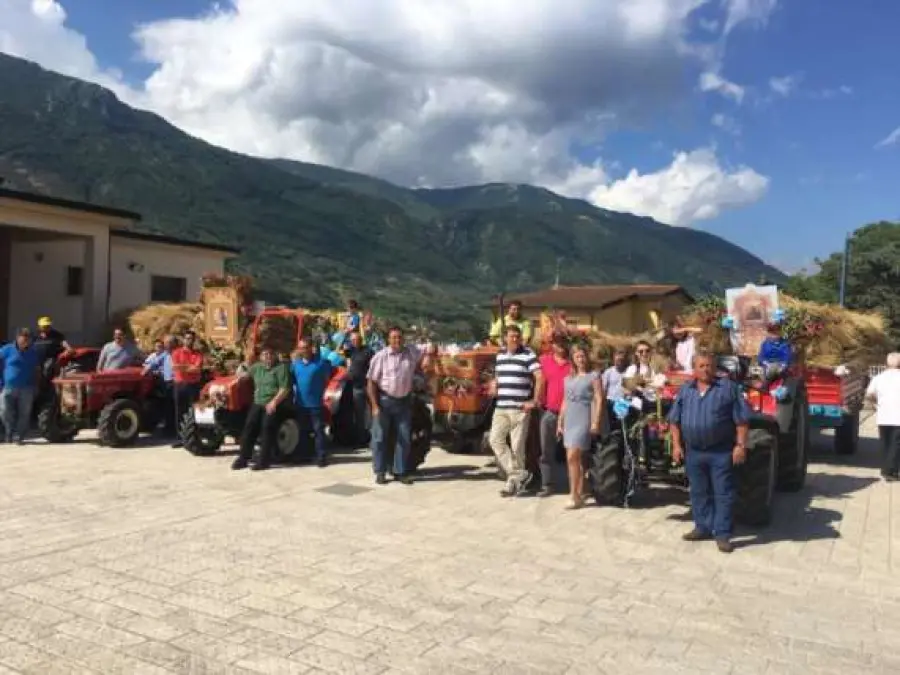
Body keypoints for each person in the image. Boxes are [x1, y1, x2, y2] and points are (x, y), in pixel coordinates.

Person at [668, 350, 750, 554]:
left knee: (723, 493)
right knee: (698, 491)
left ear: (715, 368)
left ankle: (722, 534)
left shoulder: (728, 389)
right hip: (694, 452)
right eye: (701, 366)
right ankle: (702, 527)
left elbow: (741, 420)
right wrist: (677, 446)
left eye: (709, 366)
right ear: (694, 369)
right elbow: (674, 421)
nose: (706, 369)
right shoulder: (686, 390)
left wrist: (740, 445)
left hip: (721, 452)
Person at [367, 326, 431, 485]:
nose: (397, 340)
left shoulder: (411, 351)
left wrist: (428, 356)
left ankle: (400, 471)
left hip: (404, 402)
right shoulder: (380, 357)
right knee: (379, 438)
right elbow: (371, 383)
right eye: (394, 337)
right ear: (388, 339)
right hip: (384, 402)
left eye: (399, 337)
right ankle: (380, 472)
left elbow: (430, 347)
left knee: (404, 438)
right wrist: (374, 406)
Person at [489, 324, 543, 497]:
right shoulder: (500, 355)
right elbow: (497, 376)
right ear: (505, 338)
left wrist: (534, 400)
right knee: (495, 440)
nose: (515, 339)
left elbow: (540, 377)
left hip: (519, 409)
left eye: (517, 336)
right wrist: (494, 385)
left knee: (517, 447)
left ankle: (511, 483)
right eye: (512, 336)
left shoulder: (528, 354)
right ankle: (517, 473)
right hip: (501, 407)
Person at [557, 345, 604, 509]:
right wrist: (560, 421)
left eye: (583, 356)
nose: (581, 359)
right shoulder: (568, 378)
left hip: (584, 416)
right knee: (576, 459)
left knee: (572, 456)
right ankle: (580, 491)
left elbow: (599, 399)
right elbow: (565, 400)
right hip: (570, 417)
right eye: (577, 357)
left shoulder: (593, 376)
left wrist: (596, 421)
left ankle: (574, 495)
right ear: (573, 359)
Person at [232, 347, 292, 471]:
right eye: (265, 354)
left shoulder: (281, 368)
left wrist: (274, 402)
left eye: (270, 354)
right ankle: (243, 457)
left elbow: (284, 388)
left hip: (273, 402)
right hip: (258, 402)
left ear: (275, 356)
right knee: (249, 427)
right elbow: (244, 375)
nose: (268, 356)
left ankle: (264, 460)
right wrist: (239, 377)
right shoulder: (257, 367)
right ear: (261, 357)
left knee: (266, 428)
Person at [537, 334, 571, 497]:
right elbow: (538, 381)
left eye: (563, 343)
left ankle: (576, 484)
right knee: (546, 451)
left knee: (573, 451)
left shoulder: (573, 363)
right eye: (558, 344)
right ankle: (547, 485)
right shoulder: (544, 361)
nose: (561, 346)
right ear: (552, 345)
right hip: (550, 412)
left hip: (571, 414)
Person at [291, 338, 332, 467]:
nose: (304, 350)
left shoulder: (320, 363)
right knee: (302, 431)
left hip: (316, 404)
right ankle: (304, 455)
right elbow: (291, 380)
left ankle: (321, 457)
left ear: (311, 348)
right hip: (301, 404)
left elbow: (328, 373)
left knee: (318, 431)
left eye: (306, 347)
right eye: (301, 348)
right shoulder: (296, 364)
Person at [0, 329, 40, 444]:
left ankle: (19, 436)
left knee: (24, 413)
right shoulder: (7, 349)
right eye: (24, 339)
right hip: (7, 387)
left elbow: (37, 370)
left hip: (27, 388)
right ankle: (9, 432)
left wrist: (36, 385)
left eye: (28, 339)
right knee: (5, 411)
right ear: (17, 338)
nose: (26, 342)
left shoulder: (33, 352)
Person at [865, 353, 900, 481]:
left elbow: (869, 394)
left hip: (883, 415)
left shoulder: (879, 378)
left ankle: (885, 470)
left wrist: (875, 403)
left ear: (887, 363)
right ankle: (891, 472)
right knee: (896, 445)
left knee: (885, 443)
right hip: (898, 417)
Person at [170, 331, 205, 447]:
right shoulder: (176, 352)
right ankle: (180, 438)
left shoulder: (198, 354)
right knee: (179, 411)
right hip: (179, 385)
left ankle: (194, 437)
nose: (189, 341)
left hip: (193, 386)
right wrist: (189, 367)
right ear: (183, 339)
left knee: (193, 412)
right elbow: (174, 367)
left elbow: (197, 369)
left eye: (191, 339)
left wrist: (183, 367)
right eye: (187, 338)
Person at [143, 335, 177, 437]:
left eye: (169, 343)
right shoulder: (165, 354)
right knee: (167, 406)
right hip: (166, 383)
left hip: (176, 382)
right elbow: (154, 362)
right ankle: (168, 428)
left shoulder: (178, 353)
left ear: (174, 344)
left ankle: (176, 429)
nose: (167, 345)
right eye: (166, 343)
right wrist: (146, 369)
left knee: (175, 407)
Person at [345, 329, 374, 444]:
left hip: (368, 386)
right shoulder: (350, 351)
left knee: (373, 413)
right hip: (356, 387)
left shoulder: (368, 351)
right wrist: (346, 334)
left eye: (357, 339)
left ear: (361, 340)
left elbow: (374, 366)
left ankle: (373, 439)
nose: (355, 341)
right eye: (353, 340)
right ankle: (361, 439)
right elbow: (339, 350)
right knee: (359, 415)